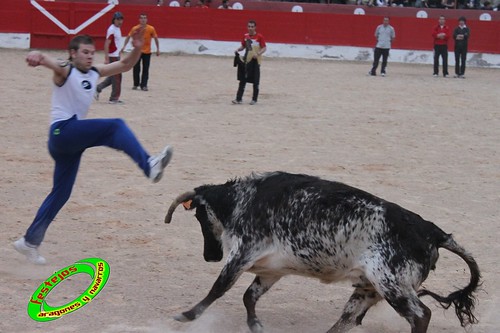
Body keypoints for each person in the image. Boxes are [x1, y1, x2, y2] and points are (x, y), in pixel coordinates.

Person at [13, 31, 173, 265]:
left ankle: (29, 242)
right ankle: (149, 164)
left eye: (92, 52)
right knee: (115, 126)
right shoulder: (66, 70)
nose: (89, 57)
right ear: (72, 53)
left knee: (61, 193)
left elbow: (126, 64)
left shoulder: (95, 72)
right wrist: (38, 55)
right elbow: (51, 62)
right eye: (84, 53)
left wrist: (138, 48)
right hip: (63, 132)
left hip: (69, 144)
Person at [121, 13, 160, 91]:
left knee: (145, 69)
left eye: (144, 18)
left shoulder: (151, 28)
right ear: (139, 20)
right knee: (136, 68)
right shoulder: (135, 28)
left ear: (147, 19)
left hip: (147, 52)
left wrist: (158, 48)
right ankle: (136, 84)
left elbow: (155, 38)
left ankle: (144, 85)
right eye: (141, 18)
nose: (143, 20)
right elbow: (128, 37)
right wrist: (124, 46)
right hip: (137, 51)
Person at [232, 20, 267, 105]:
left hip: (255, 62)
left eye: (252, 26)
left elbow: (264, 48)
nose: (250, 28)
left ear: (255, 27)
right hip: (246, 60)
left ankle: (254, 99)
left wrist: (258, 54)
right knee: (242, 80)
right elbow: (243, 46)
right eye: (249, 26)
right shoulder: (245, 36)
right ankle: (238, 98)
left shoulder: (259, 37)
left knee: (255, 80)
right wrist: (238, 49)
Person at [95, 12, 124, 104]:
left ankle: (98, 88)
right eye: (118, 19)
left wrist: (119, 53)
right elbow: (107, 44)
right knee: (117, 77)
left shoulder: (117, 29)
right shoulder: (112, 29)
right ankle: (114, 98)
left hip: (116, 55)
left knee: (113, 77)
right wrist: (106, 58)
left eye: (121, 19)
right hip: (113, 56)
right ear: (114, 20)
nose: (120, 21)